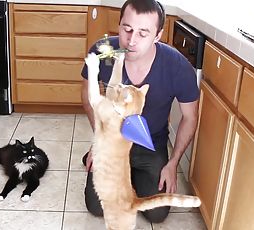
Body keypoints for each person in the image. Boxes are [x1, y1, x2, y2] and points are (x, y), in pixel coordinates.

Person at [80, 0, 199, 223]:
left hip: (150, 145)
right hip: (113, 141)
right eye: (127, 29)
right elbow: (87, 96)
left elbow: (190, 117)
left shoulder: (178, 67)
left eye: (143, 33)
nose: (132, 40)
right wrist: (101, 141)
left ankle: (134, 174)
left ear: (158, 35)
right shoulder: (102, 51)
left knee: (157, 213)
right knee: (97, 206)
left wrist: (173, 163)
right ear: (119, 24)